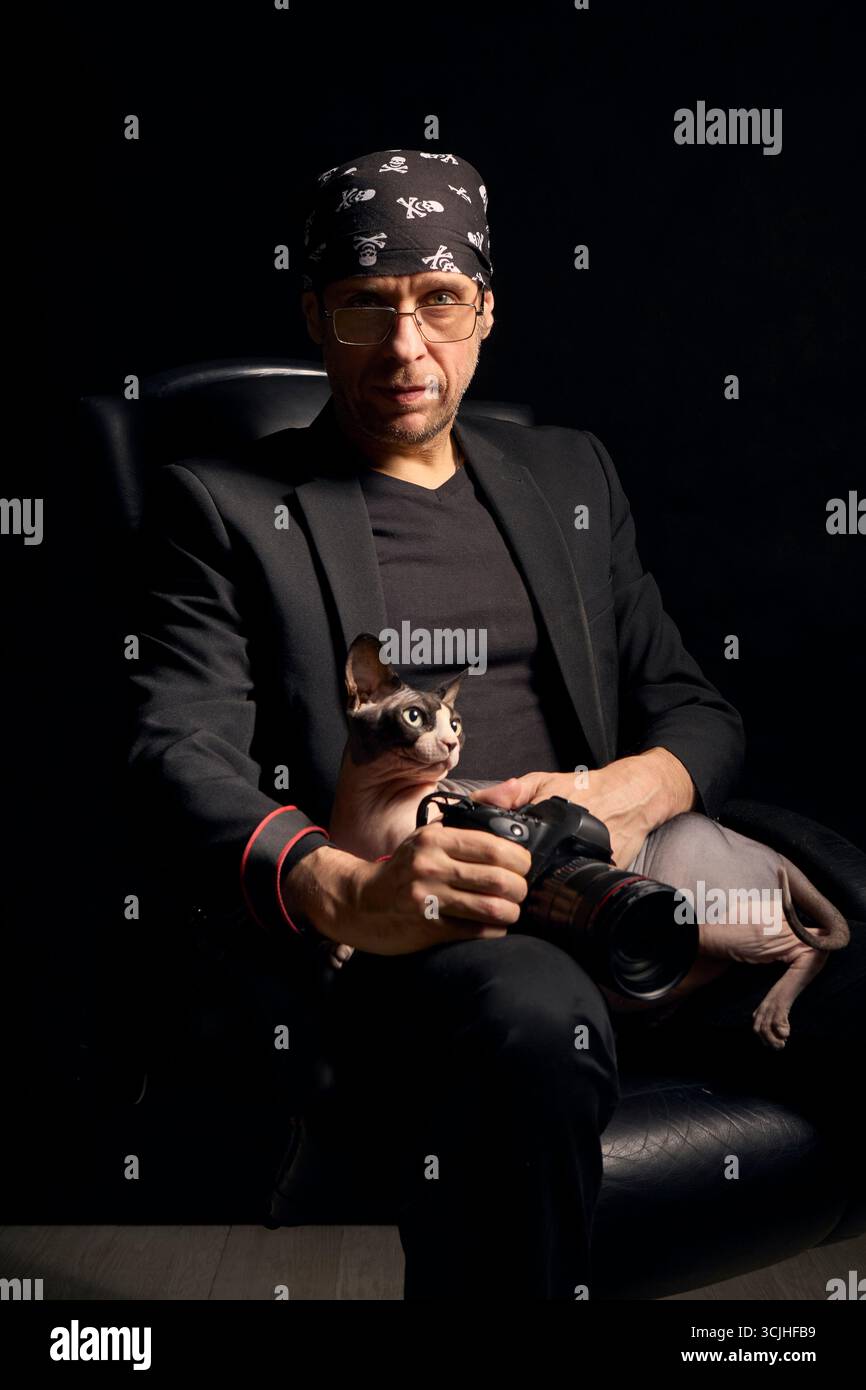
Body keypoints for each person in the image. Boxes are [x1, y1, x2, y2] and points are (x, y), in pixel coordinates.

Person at [126, 147, 860, 1300]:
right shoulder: (220, 505)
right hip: (436, 932)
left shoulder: (569, 472)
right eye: (366, 306)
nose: (405, 346)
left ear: (485, 311)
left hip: (628, 886)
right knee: (532, 1018)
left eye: (438, 300)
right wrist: (337, 886)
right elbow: (176, 747)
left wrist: (628, 795)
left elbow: (692, 707)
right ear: (316, 316)